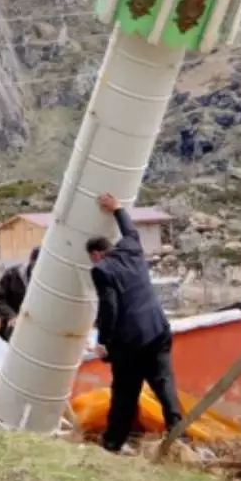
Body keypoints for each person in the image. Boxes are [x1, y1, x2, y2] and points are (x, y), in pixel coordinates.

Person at [86, 193, 182, 453]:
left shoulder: (101, 270)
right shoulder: (131, 248)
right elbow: (129, 229)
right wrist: (117, 209)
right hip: (157, 330)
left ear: (96, 255)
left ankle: (113, 441)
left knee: (125, 394)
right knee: (165, 383)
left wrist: (103, 341)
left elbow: (110, 307)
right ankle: (179, 436)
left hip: (129, 343)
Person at [0, 247, 40, 341]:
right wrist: (11, 316)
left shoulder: (51, 282)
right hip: (15, 328)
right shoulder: (12, 275)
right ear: (31, 261)